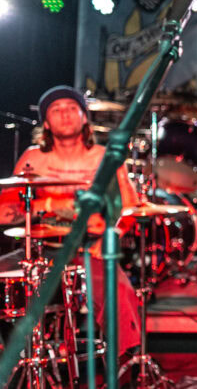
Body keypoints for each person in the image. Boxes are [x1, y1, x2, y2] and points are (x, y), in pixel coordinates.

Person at [0, 85, 141, 355]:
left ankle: (124, 366)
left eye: (71, 108)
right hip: (40, 250)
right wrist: (49, 205)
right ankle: (19, 363)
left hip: (88, 249)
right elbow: (3, 212)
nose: (64, 114)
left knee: (119, 293)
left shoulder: (104, 158)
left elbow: (131, 208)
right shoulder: (33, 159)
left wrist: (112, 236)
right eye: (56, 109)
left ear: (85, 117)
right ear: (46, 122)